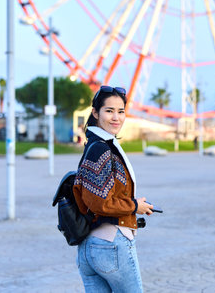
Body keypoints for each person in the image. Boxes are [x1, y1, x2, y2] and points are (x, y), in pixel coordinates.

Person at [73, 85, 154, 292]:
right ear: (95, 113)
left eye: (121, 111)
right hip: (111, 243)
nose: (116, 117)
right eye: (109, 111)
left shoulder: (94, 145)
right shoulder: (101, 149)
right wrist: (135, 206)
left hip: (89, 245)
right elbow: (100, 202)